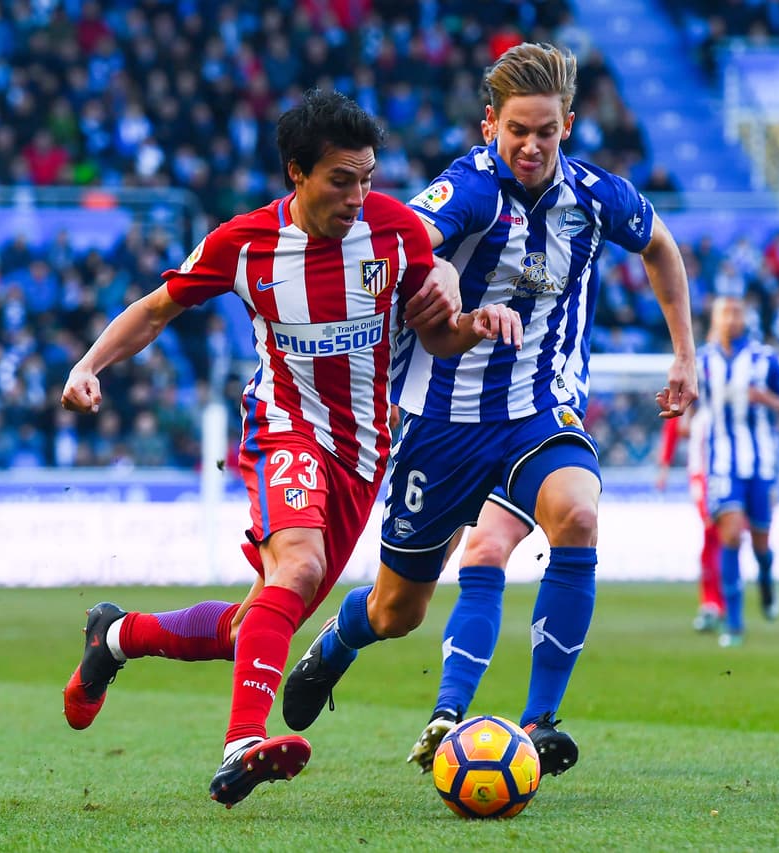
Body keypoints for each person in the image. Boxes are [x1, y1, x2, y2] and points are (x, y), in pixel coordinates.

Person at [58, 90, 521, 808]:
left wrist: (473, 325)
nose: (357, 197)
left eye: (367, 178)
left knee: (257, 625)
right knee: (299, 566)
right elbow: (155, 309)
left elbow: (436, 335)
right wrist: (89, 365)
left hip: (364, 455)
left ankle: (115, 637)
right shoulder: (244, 244)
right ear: (296, 173)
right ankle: (241, 742)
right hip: (283, 426)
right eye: (341, 180)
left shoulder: (397, 231)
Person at [279, 43, 698, 778]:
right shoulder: (469, 188)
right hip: (442, 422)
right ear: (489, 127)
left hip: (539, 408)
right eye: (517, 131)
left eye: (546, 131)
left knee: (578, 515)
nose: (531, 146)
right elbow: (407, 243)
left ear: (568, 126)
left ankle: (539, 721)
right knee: (397, 610)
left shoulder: (596, 197)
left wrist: (685, 354)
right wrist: (439, 272)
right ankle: (339, 641)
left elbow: (660, 246)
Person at [697, 295, 779, 648]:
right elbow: (689, 400)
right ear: (715, 319)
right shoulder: (702, 360)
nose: (731, 319)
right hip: (722, 463)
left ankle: (767, 579)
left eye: (736, 313)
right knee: (730, 536)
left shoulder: (764, 359)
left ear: (745, 319)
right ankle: (734, 623)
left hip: (761, 464)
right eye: (725, 314)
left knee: (760, 543)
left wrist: (766, 399)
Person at [656, 402, 724, 632]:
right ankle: (712, 603)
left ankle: (719, 603)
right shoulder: (696, 391)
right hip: (702, 474)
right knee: (712, 531)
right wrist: (664, 465)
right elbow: (676, 423)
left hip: (728, 472)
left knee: (722, 537)